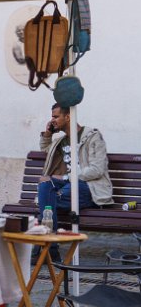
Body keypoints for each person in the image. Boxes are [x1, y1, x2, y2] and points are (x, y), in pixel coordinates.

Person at [37, 103, 113, 258]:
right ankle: (50, 249)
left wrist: (67, 177)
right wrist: (48, 134)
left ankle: (44, 248)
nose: (52, 120)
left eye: (56, 116)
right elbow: (45, 149)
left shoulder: (93, 137)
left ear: (68, 117)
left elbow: (97, 169)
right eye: (52, 117)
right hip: (66, 187)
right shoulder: (61, 141)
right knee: (45, 185)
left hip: (88, 187)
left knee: (48, 201)